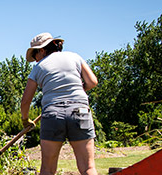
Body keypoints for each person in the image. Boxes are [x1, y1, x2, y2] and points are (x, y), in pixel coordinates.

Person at [20, 33, 99, 175]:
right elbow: (92, 82)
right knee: (88, 167)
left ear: (42, 50)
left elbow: (26, 101)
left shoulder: (39, 68)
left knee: (48, 170)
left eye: (35, 55)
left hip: (53, 114)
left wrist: (25, 120)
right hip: (80, 111)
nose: (35, 60)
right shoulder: (75, 57)